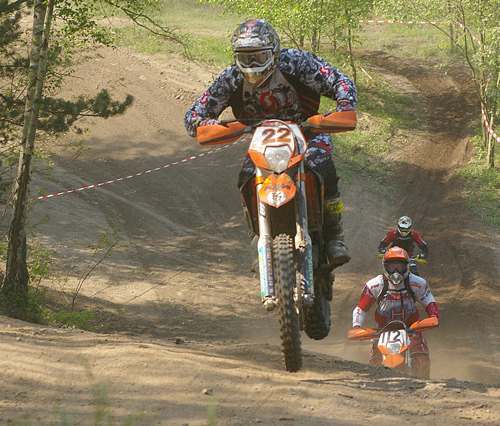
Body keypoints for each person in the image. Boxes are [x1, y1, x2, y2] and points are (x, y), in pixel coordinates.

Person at [184, 18, 357, 267]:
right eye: (245, 58)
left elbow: (340, 81)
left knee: (322, 166)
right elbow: (193, 116)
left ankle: (334, 237)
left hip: (307, 131)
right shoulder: (231, 78)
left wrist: (344, 106)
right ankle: (258, 237)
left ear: (273, 53)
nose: (252, 65)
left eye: (258, 56)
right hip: (263, 140)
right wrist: (210, 125)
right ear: (235, 57)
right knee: (246, 177)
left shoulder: (296, 63)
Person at [352, 246, 439, 378]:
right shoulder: (375, 285)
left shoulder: (417, 283)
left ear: (407, 266)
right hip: (382, 330)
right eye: (392, 267)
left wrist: (433, 317)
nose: (396, 271)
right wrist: (357, 327)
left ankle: (423, 385)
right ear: (385, 266)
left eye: (400, 266)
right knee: (374, 363)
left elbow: (429, 302)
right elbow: (361, 308)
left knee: (422, 360)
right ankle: (376, 385)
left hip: (411, 328)